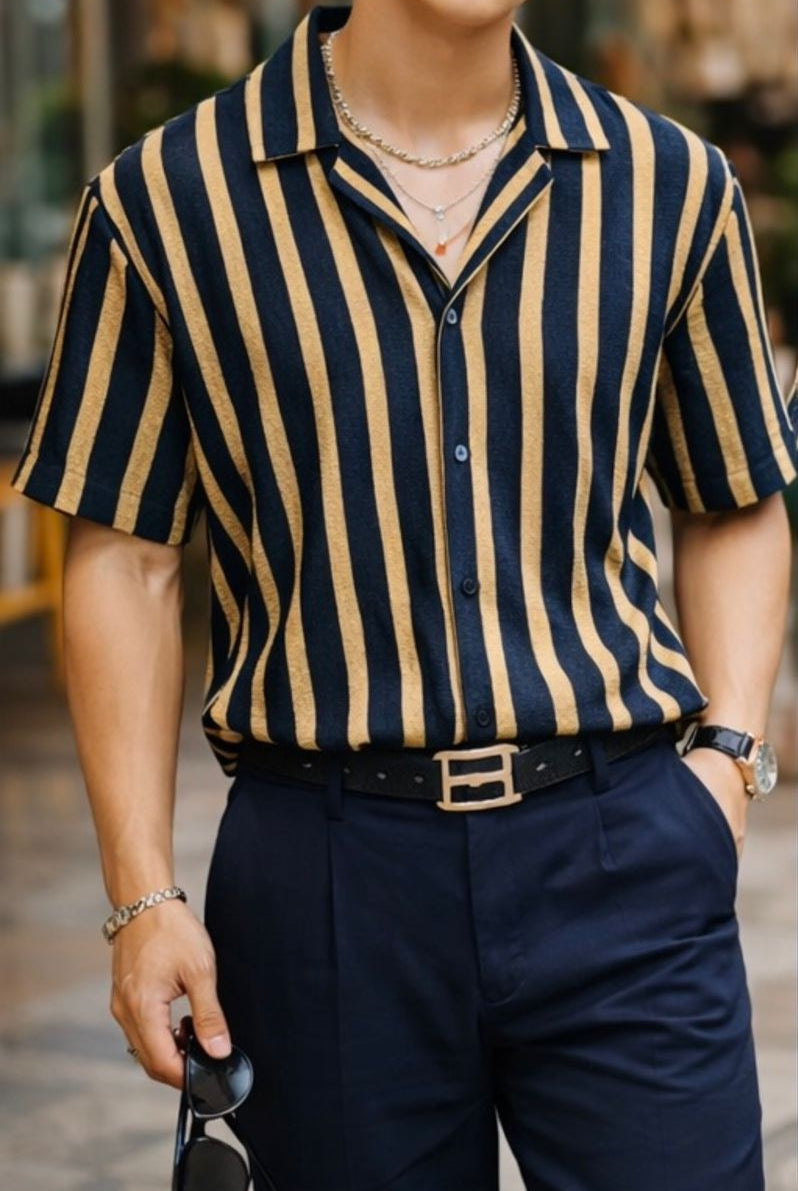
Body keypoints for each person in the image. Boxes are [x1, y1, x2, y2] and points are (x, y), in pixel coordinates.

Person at [12, 2, 798, 1188]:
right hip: (326, 877)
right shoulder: (166, 200)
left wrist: (727, 765)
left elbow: (732, 495)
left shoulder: (670, 184)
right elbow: (126, 557)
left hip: (621, 850)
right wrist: (141, 896)